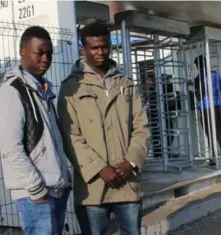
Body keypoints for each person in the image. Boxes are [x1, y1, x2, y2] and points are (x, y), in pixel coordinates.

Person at [57, 22, 150, 235]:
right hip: (93, 188)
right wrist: (99, 168)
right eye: (94, 47)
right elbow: (70, 135)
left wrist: (131, 161)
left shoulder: (126, 83)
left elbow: (141, 127)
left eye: (104, 46)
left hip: (127, 183)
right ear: (83, 49)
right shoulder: (71, 87)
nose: (100, 52)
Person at [0, 26, 71, 235]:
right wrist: (36, 189)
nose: (45, 59)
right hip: (36, 194)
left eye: (49, 53)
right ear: (23, 52)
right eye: (39, 53)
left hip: (55, 188)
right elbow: (11, 149)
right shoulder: (12, 92)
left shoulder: (43, 89)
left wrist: (65, 175)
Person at [191, 55, 221, 162]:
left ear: (198, 66)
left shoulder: (198, 79)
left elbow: (199, 96)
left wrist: (192, 88)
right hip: (218, 106)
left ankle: (213, 158)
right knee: (219, 131)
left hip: (206, 109)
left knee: (210, 133)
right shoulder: (216, 74)